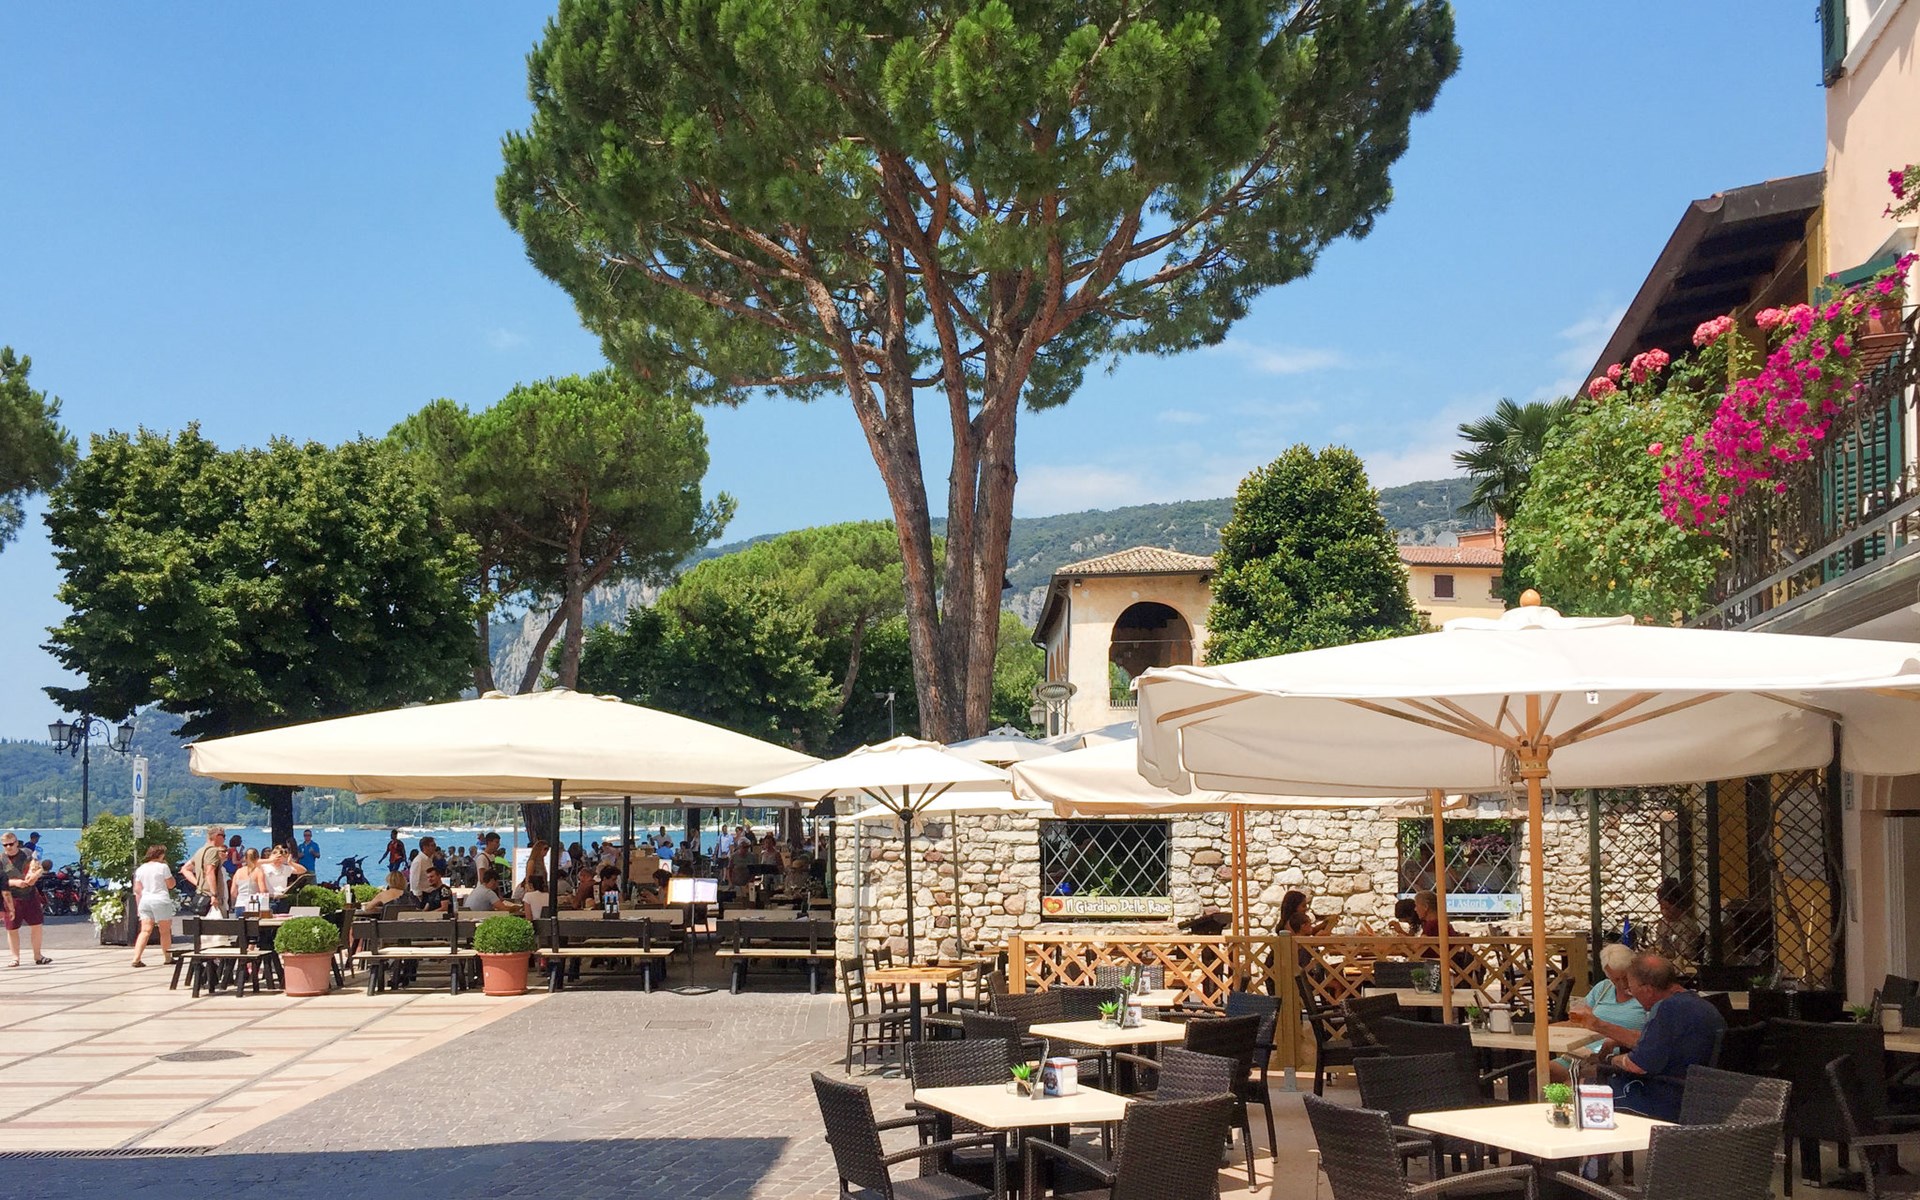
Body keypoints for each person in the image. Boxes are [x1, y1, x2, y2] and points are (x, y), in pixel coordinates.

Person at [1601, 953, 1725, 1121]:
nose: (1632, 994)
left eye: (1631, 989)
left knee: (1583, 1087)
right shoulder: (1699, 1004)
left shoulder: (1667, 1010)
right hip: (1701, 1095)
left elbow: (1637, 1065)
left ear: (1648, 990)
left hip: (1667, 1099)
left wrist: (1612, 1059)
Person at [1553, 942, 1649, 1082]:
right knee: (1541, 1072)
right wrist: (1541, 1029)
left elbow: (1651, 1036)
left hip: (1616, 1057)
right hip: (1584, 1052)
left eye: (1626, 977)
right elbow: (1578, 1021)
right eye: (1615, 979)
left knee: (1577, 1080)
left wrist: (1617, 1040)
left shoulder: (1645, 996)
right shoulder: (1603, 988)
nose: (1623, 984)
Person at [2, 832, 50, 967]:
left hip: (30, 895)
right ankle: (15, 958)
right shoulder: (1, 859)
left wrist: (34, 876)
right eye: (5, 845)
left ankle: (38, 955)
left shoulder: (28, 854)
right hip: (11, 898)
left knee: (36, 925)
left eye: (11, 844)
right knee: (12, 929)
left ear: (17, 843)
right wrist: (14, 883)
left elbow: (37, 867)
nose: (9, 847)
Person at [129, 845, 177, 968]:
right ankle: (167, 957)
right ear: (161, 855)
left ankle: (136, 958)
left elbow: (137, 888)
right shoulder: (163, 867)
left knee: (145, 930)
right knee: (164, 931)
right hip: (160, 899)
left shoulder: (141, 868)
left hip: (145, 900)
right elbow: (171, 884)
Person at [1649, 877, 1704, 967]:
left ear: (1679, 906)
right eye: (1662, 907)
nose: (1664, 912)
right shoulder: (1662, 923)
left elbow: (1686, 954)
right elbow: (1658, 946)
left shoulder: (1687, 925)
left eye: (1668, 908)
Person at [180, 826, 229, 917]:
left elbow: (185, 869)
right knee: (220, 923)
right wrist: (214, 894)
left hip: (201, 895)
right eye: (223, 836)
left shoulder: (201, 851)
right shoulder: (213, 851)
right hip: (211, 896)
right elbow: (210, 871)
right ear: (217, 836)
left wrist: (198, 883)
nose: (225, 839)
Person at [230, 848, 269, 914]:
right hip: (253, 905)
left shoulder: (238, 871)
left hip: (239, 904)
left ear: (245, 858)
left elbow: (233, 892)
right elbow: (263, 890)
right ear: (257, 858)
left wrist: (233, 904)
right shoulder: (258, 871)